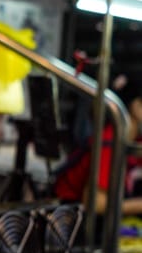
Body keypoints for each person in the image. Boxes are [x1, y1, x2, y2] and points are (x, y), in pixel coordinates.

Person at [55, 74, 142, 216]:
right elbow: (96, 204)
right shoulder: (110, 141)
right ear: (137, 106)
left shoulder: (135, 140)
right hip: (72, 220)